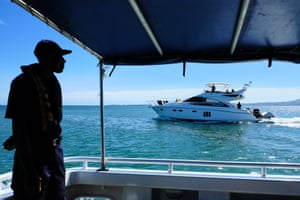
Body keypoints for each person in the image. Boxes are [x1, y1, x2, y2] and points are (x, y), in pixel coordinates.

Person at [4, 40, 71, 200]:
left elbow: (43, 120)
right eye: (60, 56)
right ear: (49, 57)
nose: (64, 61)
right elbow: (20, 129)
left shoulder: (54, 83)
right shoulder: (22, 83)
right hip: (34, 158)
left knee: (57, 196)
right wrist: (30, 172)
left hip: (54, 153)